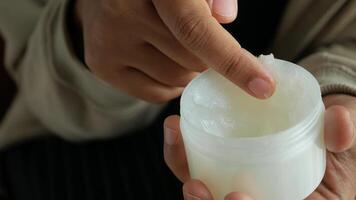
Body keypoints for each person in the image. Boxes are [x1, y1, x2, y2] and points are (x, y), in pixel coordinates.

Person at [0, 0, 355, 199]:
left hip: (305, 145)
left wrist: (342, 87)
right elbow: (34, 86)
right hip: (70, 162)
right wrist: (78, 37)